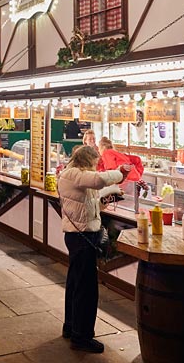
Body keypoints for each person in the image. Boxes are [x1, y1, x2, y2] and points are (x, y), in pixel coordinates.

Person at [59, 145, 129, 353]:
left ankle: (71, 327)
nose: (96, 167)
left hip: (78, 235)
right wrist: (121, 173)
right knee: (86, 289)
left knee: (75, 284)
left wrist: (110, 196)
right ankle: (82, 337)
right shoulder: (74, 174)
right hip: (82, 237)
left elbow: (90, 202)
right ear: (86, 161)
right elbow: (99, 180)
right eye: (95, 163)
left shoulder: (73, 176)